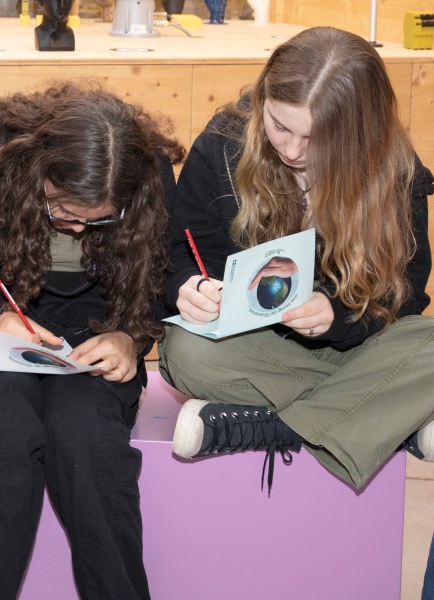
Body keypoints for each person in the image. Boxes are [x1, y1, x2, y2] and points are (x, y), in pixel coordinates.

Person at [0, 81, 185, 600]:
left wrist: (130, 338)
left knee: (87, 435)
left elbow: (161, 279)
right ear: (37, 167)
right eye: (61, 210)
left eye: (100, 219)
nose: (79, 229)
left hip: (97, 330)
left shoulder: (148, 171)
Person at [159, 26, 434, 493]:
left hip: (355, 342)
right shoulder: (224, 143)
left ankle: (274, 427)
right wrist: (190, 287)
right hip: (253, 348)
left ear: (359, 132)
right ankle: (385, 414)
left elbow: (406, 285)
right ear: (263, 98)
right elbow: (179, 252)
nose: (291, 151)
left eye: (318, 139)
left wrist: (339, 314)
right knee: (184, 350)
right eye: (280, 126)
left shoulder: (393, 166)